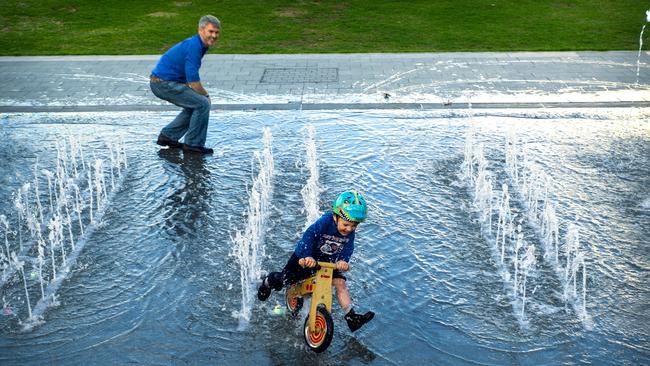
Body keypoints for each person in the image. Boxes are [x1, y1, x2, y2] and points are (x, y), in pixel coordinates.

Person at [257, 190, 375, 332]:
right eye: (346, 225)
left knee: (340, 283)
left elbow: (348, 248)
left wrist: (343, 260)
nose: (349, 229)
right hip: (304, 258)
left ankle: (351, 317)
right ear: (335, 216)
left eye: (354, 226)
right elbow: (309, 236)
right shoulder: (325, 222)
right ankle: (267, 282)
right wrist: (307, 256)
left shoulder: (349, 232)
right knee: (287, 280)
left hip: (327, 262)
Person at [149, 15, 221, 154]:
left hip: (163, 82)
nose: (214, 35)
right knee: (203, 103)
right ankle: (193, 145)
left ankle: (168, 136)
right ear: (201, 30)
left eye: (217, 32)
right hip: (163, 84)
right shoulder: (194, 47)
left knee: (195, 104)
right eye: (211, 31)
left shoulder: (198, 44)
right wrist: (206, 95)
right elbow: (193, 80)